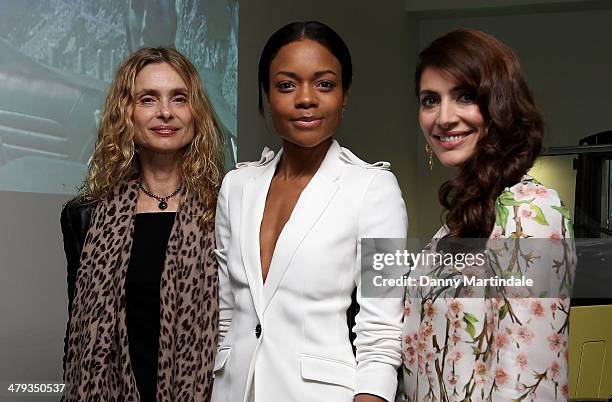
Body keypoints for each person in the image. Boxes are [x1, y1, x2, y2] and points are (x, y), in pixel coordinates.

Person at [212, 21, 407, 402]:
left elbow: (382, 334)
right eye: (287, 85)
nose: (306, 99)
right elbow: (226, 316)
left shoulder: (375, 189)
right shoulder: (236, 187)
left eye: (324, 84)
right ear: (267, 95)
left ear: (344, 94)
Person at [401, 29, 574, 401]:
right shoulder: (464, 215)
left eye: (464, 96)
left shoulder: (531, 211)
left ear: (500, 104)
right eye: (430, 100)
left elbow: (528, 379)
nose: (443, 118)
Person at [60, 47, 223, 401]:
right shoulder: (84, 216)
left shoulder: (226, 209)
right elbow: (79, 330)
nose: (165, 112)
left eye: (179, 98)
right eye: (148, 99)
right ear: (126, 114)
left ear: (196, 113)